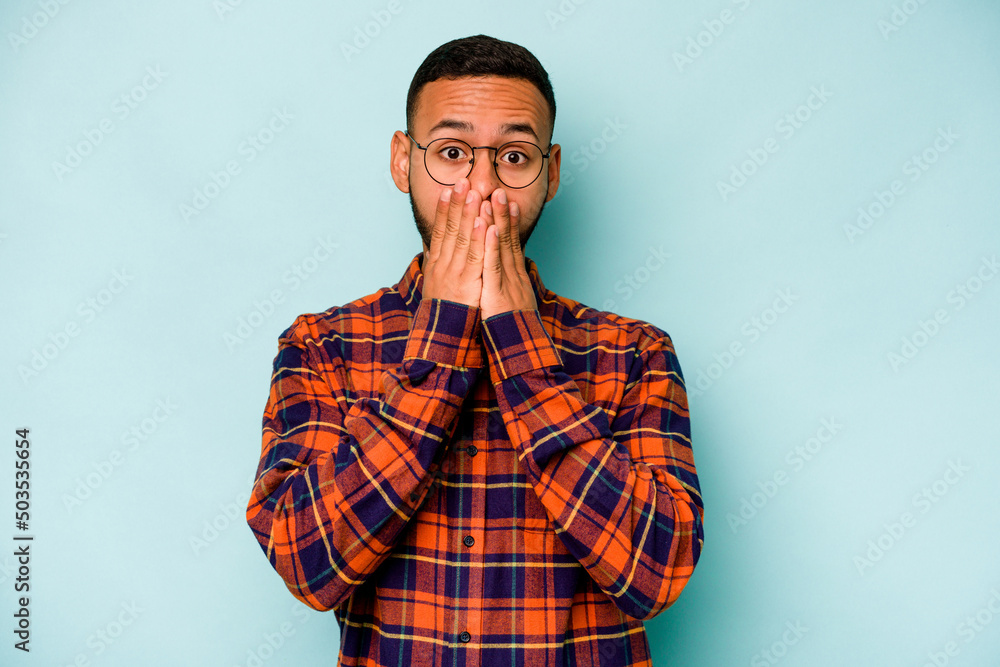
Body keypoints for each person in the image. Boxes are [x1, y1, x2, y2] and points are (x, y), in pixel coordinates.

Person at [246, 34, 704, 667]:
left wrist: (522, 349)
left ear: (552, 171)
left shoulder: (634, 354)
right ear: (403, 162)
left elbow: (658, 572)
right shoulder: (322, 347)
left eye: (514, 157)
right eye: (453, 153)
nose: (484, 188)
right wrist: (441, 340)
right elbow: (305, 562)